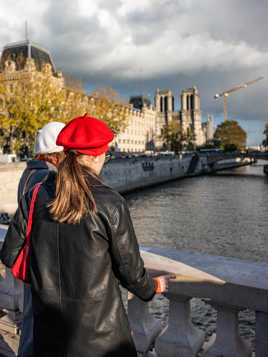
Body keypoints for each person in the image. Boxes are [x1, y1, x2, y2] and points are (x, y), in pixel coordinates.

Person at [1, 113, 174, 357]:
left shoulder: (35, 195)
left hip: (48, 334)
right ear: (97, 155)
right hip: (100, 338)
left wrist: (45, 273)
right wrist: (154, 286)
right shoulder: (111, 202)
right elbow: (131, 273)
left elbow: (9, 255)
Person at [16, 121, 66, 357]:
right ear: (56, 155)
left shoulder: (28, 173)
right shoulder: (44, 178)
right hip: (44, 262)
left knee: (30, 320)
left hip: (31, 259)